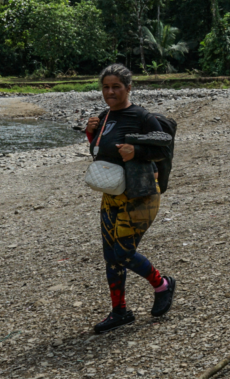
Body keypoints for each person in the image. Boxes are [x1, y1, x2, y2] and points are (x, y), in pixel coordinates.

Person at [84, 64, 176, 333]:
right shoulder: (104, 116)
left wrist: (136, 150)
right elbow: (100, 151)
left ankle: (162, 285)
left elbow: (163, 146)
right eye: (106, 87)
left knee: (123, 252)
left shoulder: (141, 116)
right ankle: (120, 311)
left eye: (116, 87)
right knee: (110, 255)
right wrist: (91, 133)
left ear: (128, 88)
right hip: (112, 196)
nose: (110, 92)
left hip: (140, 194)